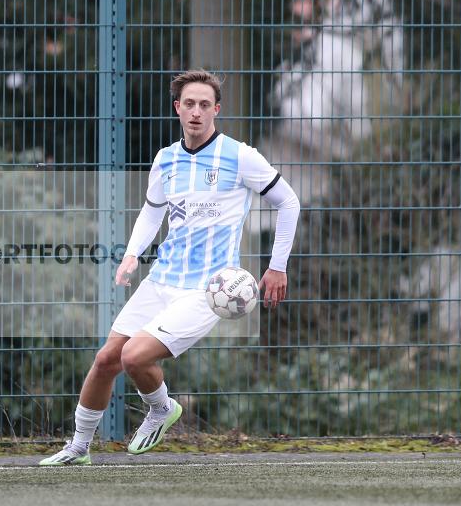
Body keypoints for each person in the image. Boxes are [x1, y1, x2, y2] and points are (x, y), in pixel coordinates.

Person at [40, 70, 300, 465]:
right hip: (161, 279)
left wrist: (277, 266)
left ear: (217, 109)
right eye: (189, 104)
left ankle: (162, 409)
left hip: (206, 291)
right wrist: (132, 254)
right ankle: (78, 448)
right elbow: (151, 211)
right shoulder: (166, 159)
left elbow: (289, 202)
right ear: (178, 108)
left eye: (205, 104)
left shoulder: (239, 155)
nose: (197, 112)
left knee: (134, 357)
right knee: (107, 358)